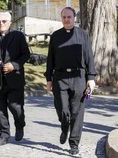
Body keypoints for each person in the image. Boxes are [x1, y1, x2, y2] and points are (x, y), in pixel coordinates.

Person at [45, 7, 96, 155]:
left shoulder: (83, 35)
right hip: (60, 77)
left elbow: (89, 57)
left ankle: (74, 143)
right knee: (62, 109)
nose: (66, 19)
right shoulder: (55, 36)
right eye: (64, 17)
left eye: (69, 17)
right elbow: (50, 60)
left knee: (77, 112)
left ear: (74, 18)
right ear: (61, 19)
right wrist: (48, 79)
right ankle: (64, 127)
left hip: (78, 77)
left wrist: (91, 78)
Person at [0, 11, 30, 146]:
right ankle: (3, 135)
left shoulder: (18, 36)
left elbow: (26, 54)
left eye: (3, 21)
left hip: (15, 79)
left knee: (15, 107)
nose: (1, 24)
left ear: (9, 22)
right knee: (1, 108)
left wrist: (14, 65)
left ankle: (20, 124)